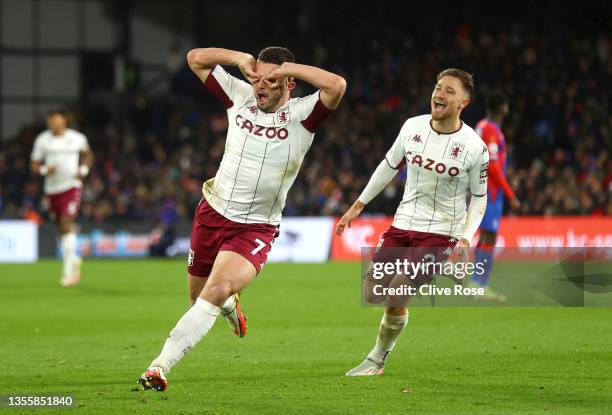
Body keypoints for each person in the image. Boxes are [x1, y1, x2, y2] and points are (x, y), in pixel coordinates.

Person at [138, 46, 346, 391]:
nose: (261, 86)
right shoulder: (239, 94)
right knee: (198, 299)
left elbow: (336, 85)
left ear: (288, 83)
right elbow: (194, 59)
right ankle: (230, 304)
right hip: (212, 212)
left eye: (271, 80)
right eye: (257, 78)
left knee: (215, 289)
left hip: (255, 227)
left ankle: (159, 366)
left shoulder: (304, 115)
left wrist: (289, 68)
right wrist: (239, 61)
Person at [336, 68, 488, 376]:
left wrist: (465, 239)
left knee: (397, 291)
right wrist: (358, 205)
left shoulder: (475, 147)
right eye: (437, 87)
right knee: (372, 293)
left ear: (463, 102)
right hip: (404, 223)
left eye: (448, 90)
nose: (439, 94)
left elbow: (480, 198)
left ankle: (377, 360)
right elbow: (389, 165)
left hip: (443, 231)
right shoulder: (412, 127)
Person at [30, 110, 94, 287]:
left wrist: (83, 170)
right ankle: (73, 258)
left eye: (55, 120)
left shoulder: (77, 138)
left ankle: (68, 271)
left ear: (64, 121)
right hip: (52, 189)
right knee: (60, 227)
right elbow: (34, 165)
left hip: (71, 186)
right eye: (50, 121)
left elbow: (88, 155)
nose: (52, 123)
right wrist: (44, 170)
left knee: (67, 223)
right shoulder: (43, 140)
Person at [468, 91, 520, 300]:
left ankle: (476, 283)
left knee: (485, 236)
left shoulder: (482, 126)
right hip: (490, 191)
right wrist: (510, 194)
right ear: (502, 107)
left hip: (482, 188)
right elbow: (493, 165)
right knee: (490, 235)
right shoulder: (490, 129)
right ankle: (480, 284)